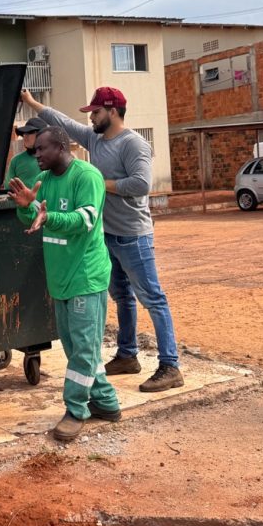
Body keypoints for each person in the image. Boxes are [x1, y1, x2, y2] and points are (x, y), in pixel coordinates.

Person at [21, 87, 183, 393]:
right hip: (106, 235)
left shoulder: (133, 143)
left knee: (152, 298)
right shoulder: (95, 138)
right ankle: (127, 355)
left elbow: (141, 184)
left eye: (96, 112)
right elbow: (63, 123)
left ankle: (170, 365)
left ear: (112, 111)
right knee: (122, 297)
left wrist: (96, 183)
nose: (91, 118)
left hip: (133, 235)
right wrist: (31, 103)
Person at [8, 126, 121, 442]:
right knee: (77, 349)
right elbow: (35, 217)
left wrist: (48, 217)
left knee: (83, 349)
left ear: (61, 147)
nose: (36, 154)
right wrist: (26, 206)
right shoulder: (45, 181)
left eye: (42, 148)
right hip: (60, 278)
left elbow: (85, 220)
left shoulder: (87, 177)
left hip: (85, 276)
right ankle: (106, 403)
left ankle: (76, 410)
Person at [4, 117, 44, 187]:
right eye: (24, 133)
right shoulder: (16, 161)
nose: (25, 136)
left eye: (29, 132)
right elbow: (8, 188)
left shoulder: (51, 158)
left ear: (41, 135)